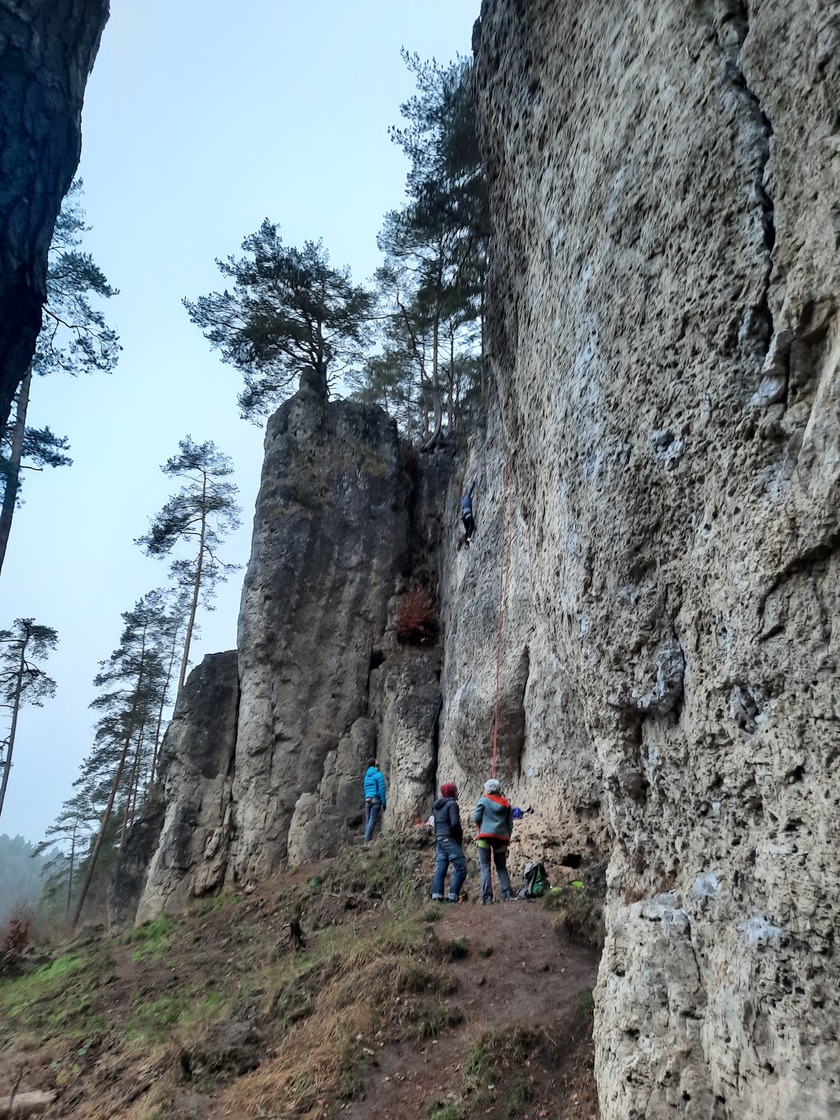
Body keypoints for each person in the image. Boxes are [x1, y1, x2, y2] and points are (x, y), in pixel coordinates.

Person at [472, 778, 514, 903]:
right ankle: (507, 893)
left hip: (484, 836)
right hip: (501, 838)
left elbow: (476, 818)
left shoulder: (483, 800)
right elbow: (510, 823)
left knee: (485, 866)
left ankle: (487, 897)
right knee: (501, 867)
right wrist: (507, 836)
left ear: (488, 789)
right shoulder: (506, 803)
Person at [431, 782, 467, 902]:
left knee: (441, 869)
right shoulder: (452, 805)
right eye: (455, 791)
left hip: (439, 839)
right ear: (452, 793)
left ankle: (437, 896)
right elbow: (455, 823)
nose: (457, 793)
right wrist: (458, 839)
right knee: (461, 869)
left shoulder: (437, 807)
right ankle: (453, 896)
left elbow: (436, 824)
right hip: (449, 839)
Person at [363, 757, 386, 844]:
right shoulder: (378, 775)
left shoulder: (366, 776)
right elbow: (382, 790)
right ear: (374, 763)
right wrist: (383, 803)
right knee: (372, 820)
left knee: (368, 820)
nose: (377, 760)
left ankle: (366, 841)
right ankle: (367, 841)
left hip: (367, 799)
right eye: (376, 760)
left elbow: (365, 788)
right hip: (375, 799)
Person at [460, 479, 476, 546]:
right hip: (468, 513)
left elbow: (466, 504)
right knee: (471, 525)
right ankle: (469, 537)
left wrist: (471, 499)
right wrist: (473, 482)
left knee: (467, 528)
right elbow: (470, 489)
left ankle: (467, 544)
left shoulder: (462, 501)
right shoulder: (467, 496)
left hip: (464, 516)